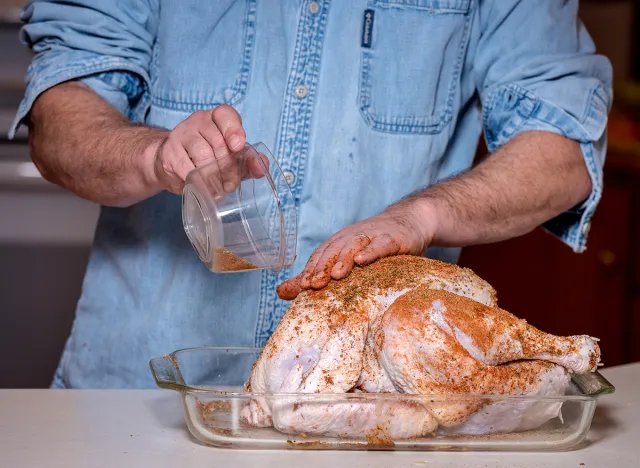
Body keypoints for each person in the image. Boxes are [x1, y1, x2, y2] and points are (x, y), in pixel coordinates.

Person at [10, 0, 612, 388]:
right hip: (141, 400)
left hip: (372, 412)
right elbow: (62, 117)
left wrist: (424, 214)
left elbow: (565, 148)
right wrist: (153, 154)